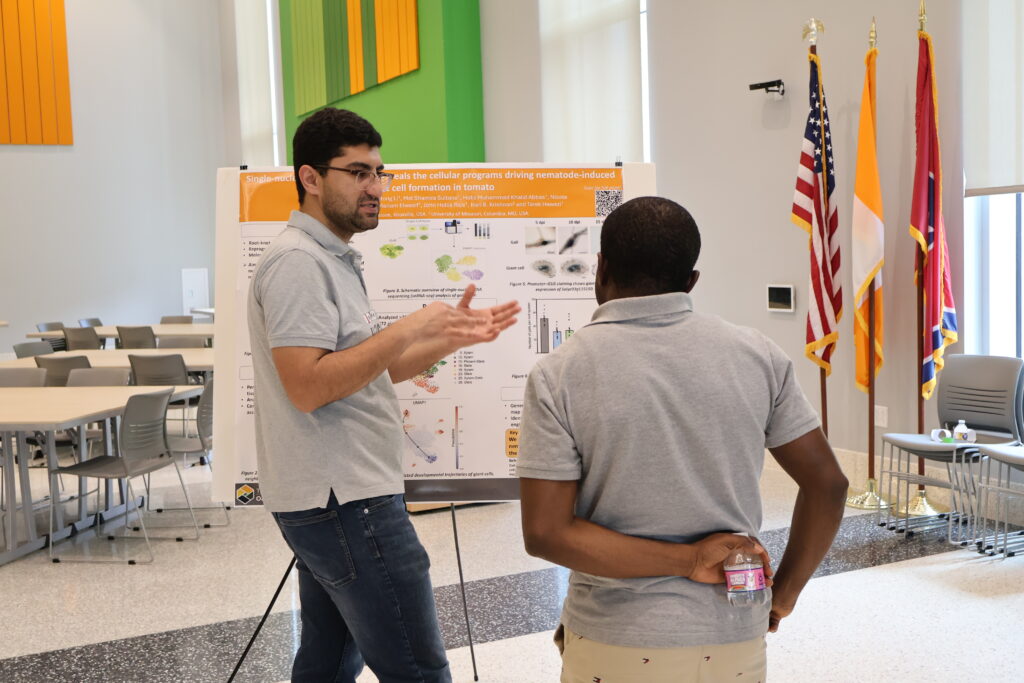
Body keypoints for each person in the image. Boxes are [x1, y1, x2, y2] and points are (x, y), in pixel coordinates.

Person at [517, 196, 847, 682]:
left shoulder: (559, 374)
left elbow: (546, 532)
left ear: (601, 267)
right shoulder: (757, 355)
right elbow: (829, 484)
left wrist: (689, 560)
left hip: (616, 637)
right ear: (692, 281)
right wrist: (785, 594)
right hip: (735, 627)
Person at [248, 107, 520, 683]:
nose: (375, 187)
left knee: (327, 661)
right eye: (358, 172)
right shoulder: (299, 263)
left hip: (339, 496)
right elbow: (308, 387)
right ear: (311, 178)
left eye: (379, 172)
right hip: (345, 500)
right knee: (417, 668)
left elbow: (361, 374)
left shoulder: (331, 258)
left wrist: (443, 339)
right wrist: (409, 326)